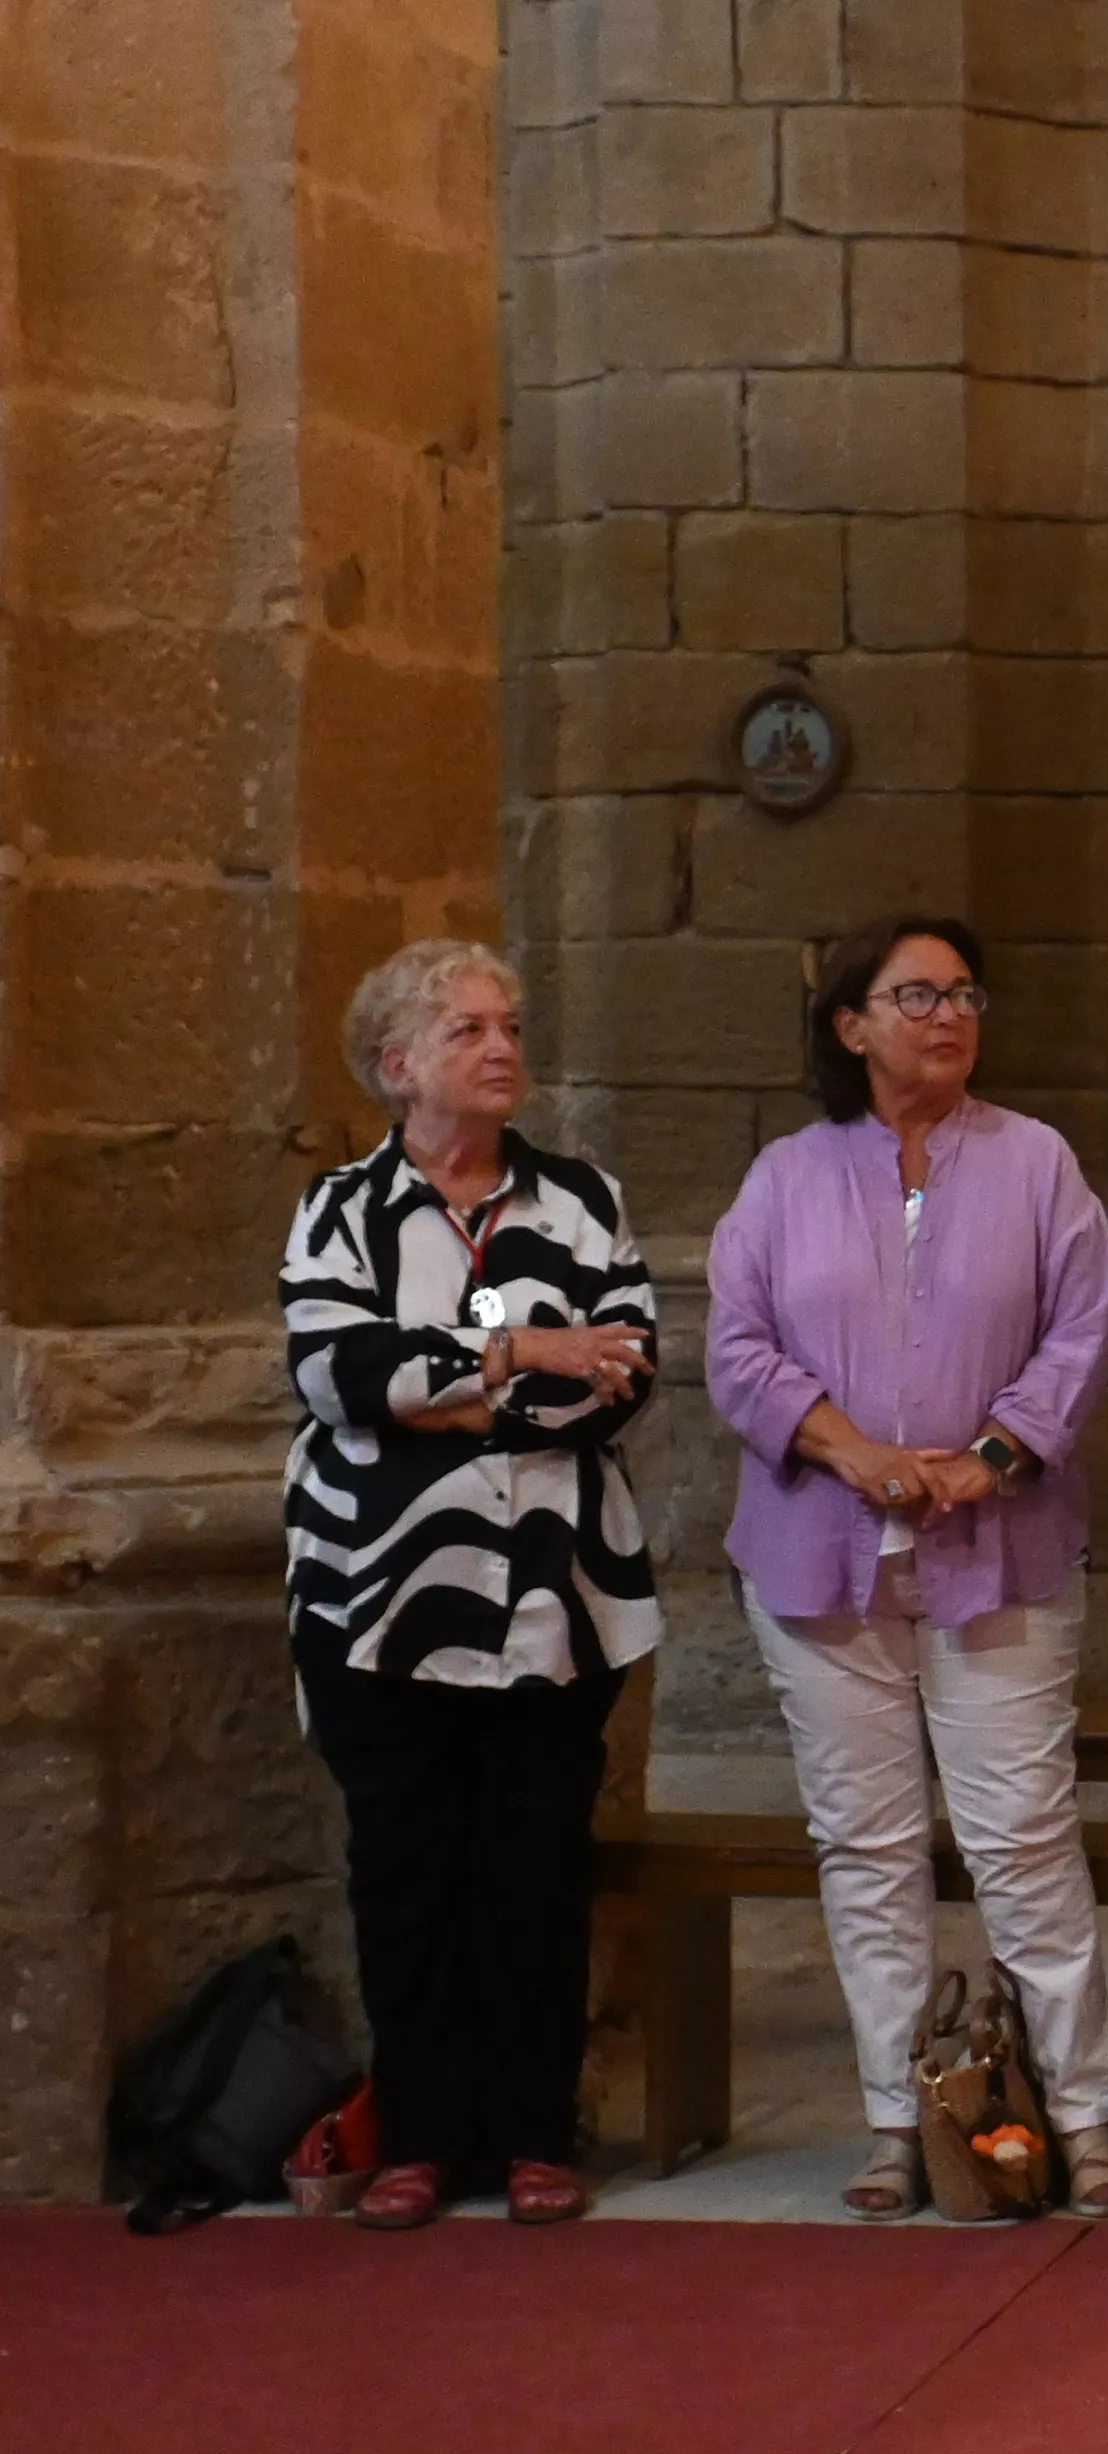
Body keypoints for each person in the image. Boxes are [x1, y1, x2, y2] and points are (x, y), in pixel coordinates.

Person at [704, 919, 1108, 2217]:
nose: (947, 1015)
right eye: (916, 995)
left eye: (963, 992)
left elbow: (1081, 1331)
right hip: (819, 1557)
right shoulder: (785, 1177)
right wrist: (847, 1448)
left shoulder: (1035, 1163)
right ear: (851, 1024)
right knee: (870, 1844)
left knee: (1021, 1836)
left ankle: (1085, 2114)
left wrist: (984, 1460)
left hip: (994, 1548)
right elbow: (736, 1345)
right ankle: (900, 2117)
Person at [278, 940, 661, 2228]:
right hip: (376, 1597)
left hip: (559, 1594)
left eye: (506, 1024)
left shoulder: (580, 1197)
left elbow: (623, 1378)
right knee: (406, 1866)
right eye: (465, 1029)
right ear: (398, 1065)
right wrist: (524, 1350)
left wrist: (450, 1380)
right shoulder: (340, 1209)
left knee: (535, 1865)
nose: (500, 1047)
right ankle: (424, 2135)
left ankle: (536, 2131)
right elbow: (335, 1377)